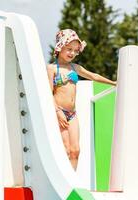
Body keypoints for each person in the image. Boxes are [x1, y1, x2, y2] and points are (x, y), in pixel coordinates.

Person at [47, 29, 116, 171]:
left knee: (75, 150)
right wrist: (57, 111)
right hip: (59, 112)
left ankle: (73, 182)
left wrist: (114, 83)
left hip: (72, 114)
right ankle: (65, 184)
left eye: (75, 50)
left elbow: (94, 76)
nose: (72, 53)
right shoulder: (52, 68)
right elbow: (48, 93)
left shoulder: (75, 67)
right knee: (65, 150)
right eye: (69, 49)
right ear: (60, 47)